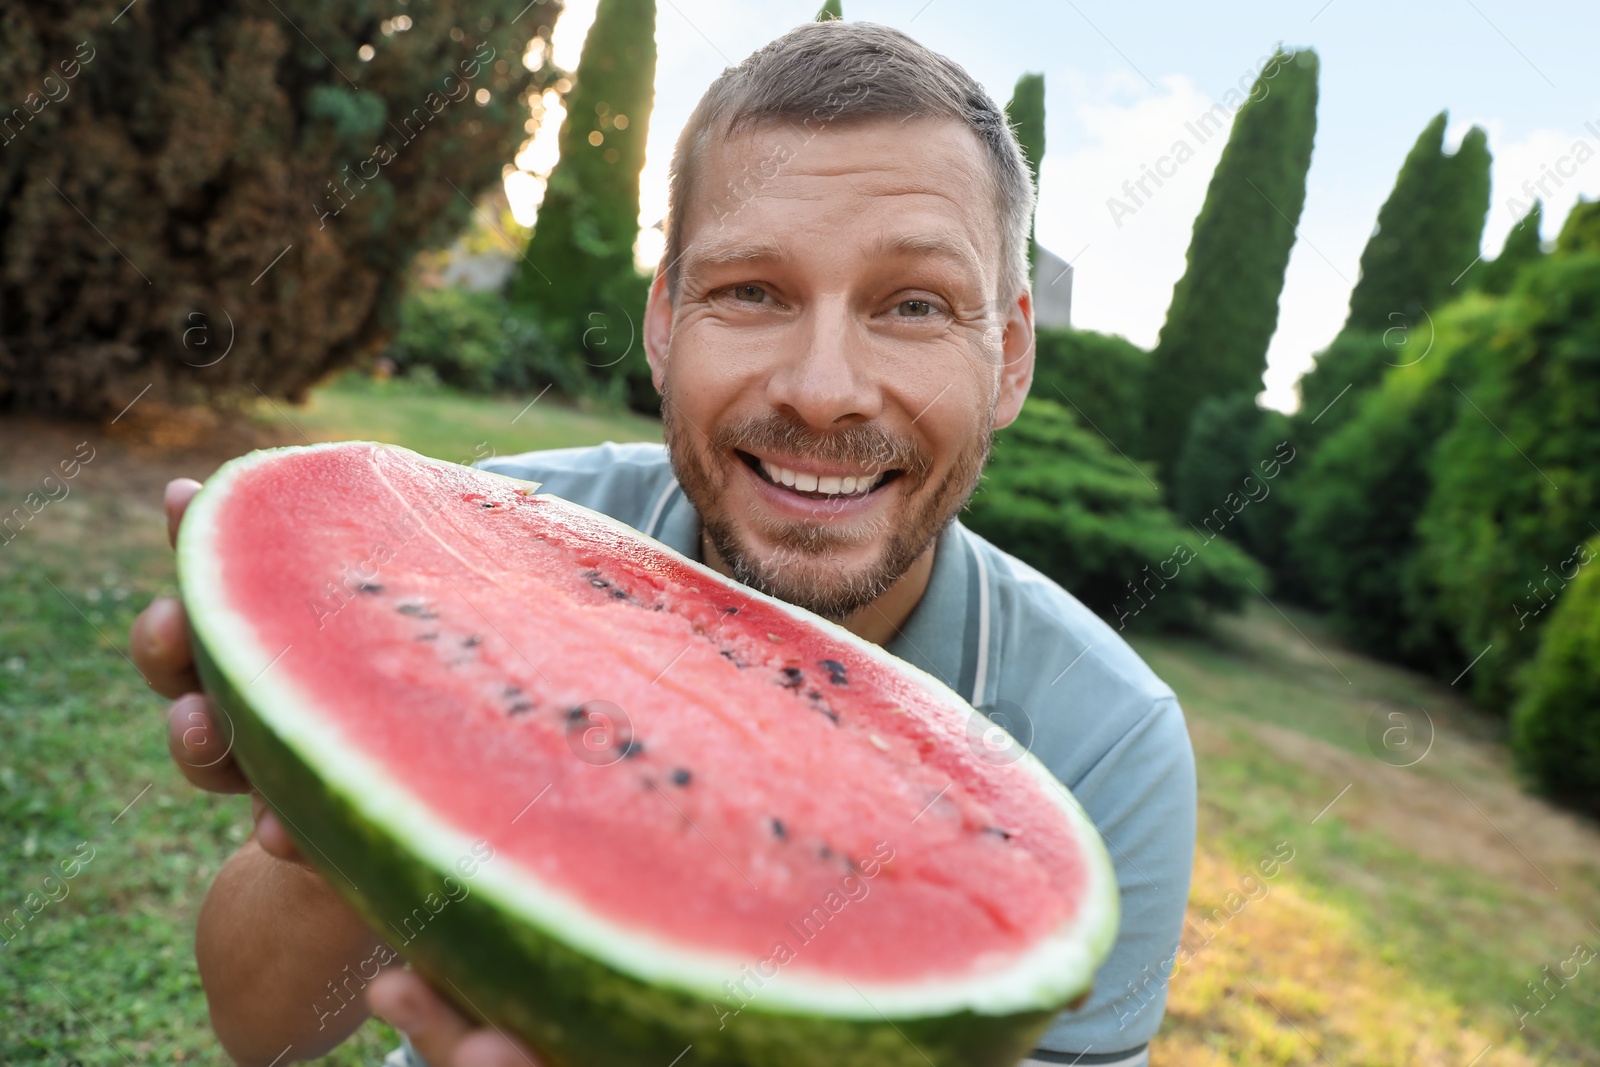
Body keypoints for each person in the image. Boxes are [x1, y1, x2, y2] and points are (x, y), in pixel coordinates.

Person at [129, 19, 1194, 1067]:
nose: (822, 391)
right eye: (750, 292)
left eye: (912, 304)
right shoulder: (484, 545)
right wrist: (337, 803)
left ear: (1008, 358)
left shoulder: (1107, 743)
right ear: (663, 323)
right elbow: (257, 1035)